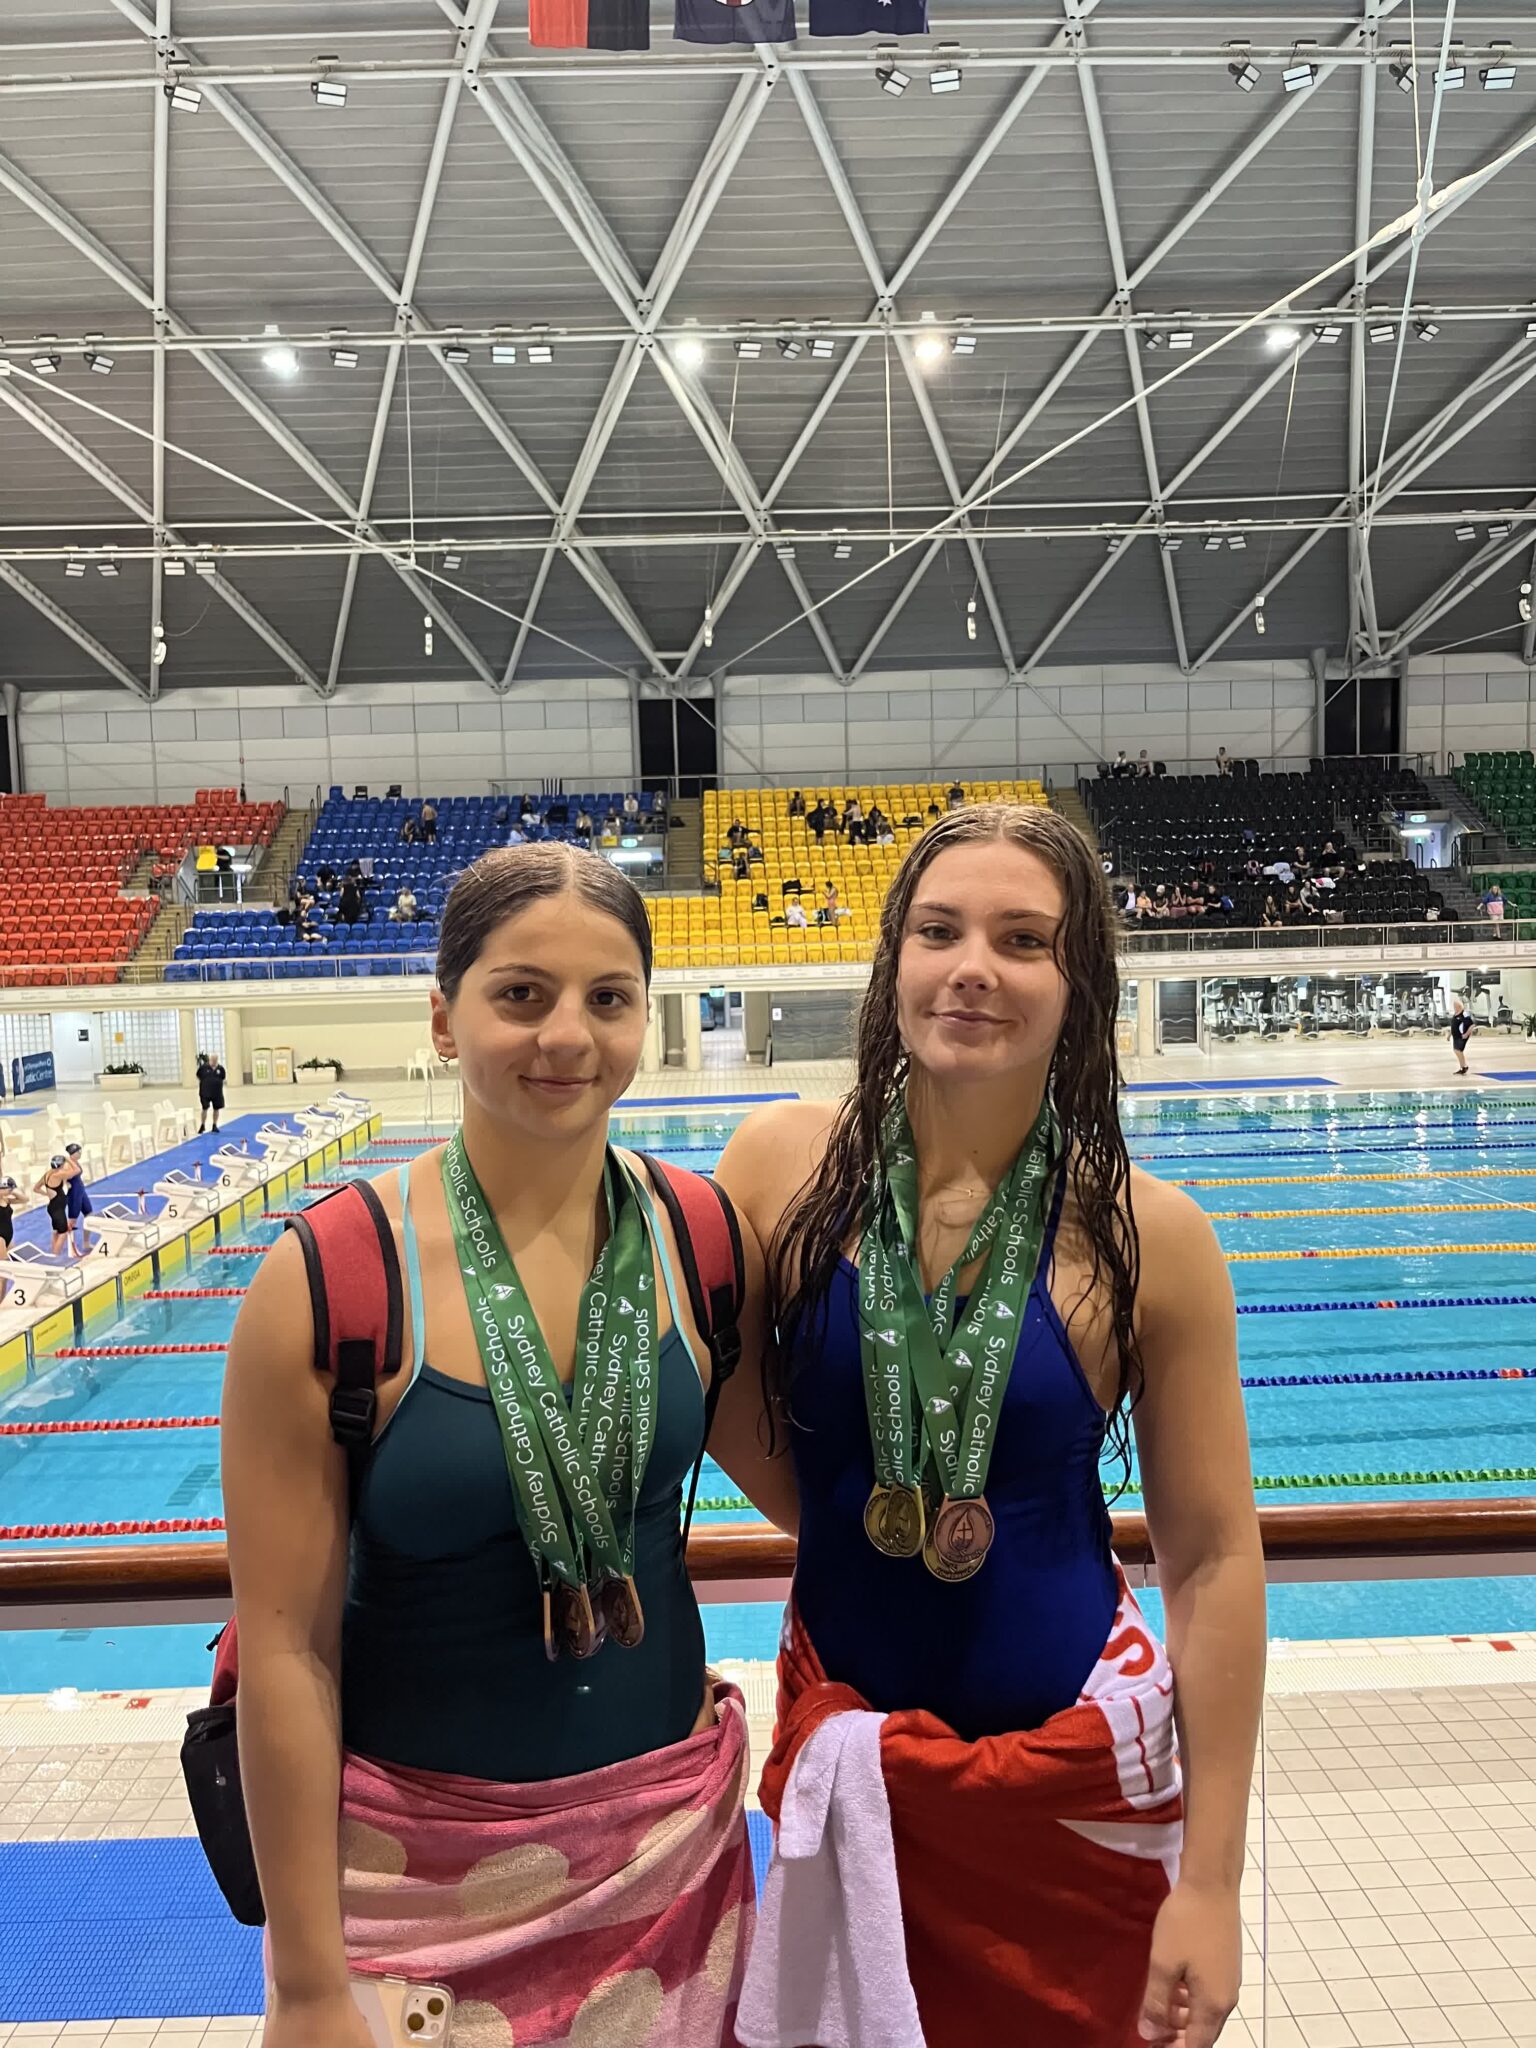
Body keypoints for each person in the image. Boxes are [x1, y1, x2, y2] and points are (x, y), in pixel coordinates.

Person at [715, 803, 1264, 2048]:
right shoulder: (779, 1166)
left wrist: (1214, 1881)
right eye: (939, 930)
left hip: (1073, 1794)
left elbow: (1215, 1557)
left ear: (1081, 983)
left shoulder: (1149, 1233)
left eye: (1023, 939)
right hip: (850, 1770)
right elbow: (727, 1416)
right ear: (893, 960)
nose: (972, 966)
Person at [223, 845, 785, 2048]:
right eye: (521, 993)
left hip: (667, 1861)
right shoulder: (331, 1279)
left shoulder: (700, 1239)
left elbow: (805, 1493)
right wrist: (308, 1981)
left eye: (608, 996)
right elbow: (284, 1649)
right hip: (411, 1885)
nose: (567, 1034)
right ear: (445, 1017)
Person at [35, 1155, 73, 1260]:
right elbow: (74, 1171)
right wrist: (68, 1159)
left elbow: (36, 1188)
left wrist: (47, 1194)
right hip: (57, 1209)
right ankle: (55, 1257)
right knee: (63, 1233)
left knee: (56, 1231)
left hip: (53, 1207)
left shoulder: (47, 1174)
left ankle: (53, 1254)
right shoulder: (58, 1175)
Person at [198, 1051, 228, 1134]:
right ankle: (202, 1125)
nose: (213, 1061)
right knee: (205, 1108)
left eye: (215, 1060)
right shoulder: (203, 1068)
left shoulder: (220, 1069)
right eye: (212, 1059)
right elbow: (199, 1076)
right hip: (205, 1093)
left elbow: (223, 1077)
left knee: (216, 1109)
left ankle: (214, 1125)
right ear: (209, 1059)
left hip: (217, 1093)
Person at [1451, 997, 1474, 1075]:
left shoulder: (1464, 1014)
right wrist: (1449, 1035)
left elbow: (1472, 1025)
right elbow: (1454, 1025)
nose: (1454, 1007)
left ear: (1459, 1006)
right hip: (1456, 1036)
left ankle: (1464, 1066)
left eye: (1455, 1006)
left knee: (1458, 1050)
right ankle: (1463, 1067)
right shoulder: (1455, 1014)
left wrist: (1466, 1034)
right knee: (1457, 1050)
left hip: (1462, 1036)